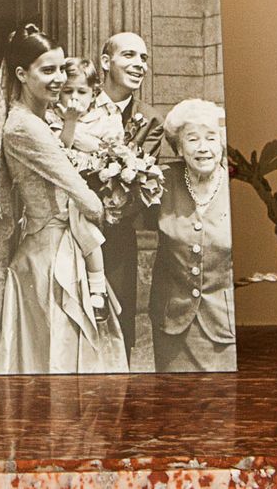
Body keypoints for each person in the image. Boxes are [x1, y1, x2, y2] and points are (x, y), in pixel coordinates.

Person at [0, 24, 129, 375]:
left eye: (61, 69)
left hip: (57, 244)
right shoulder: (24, 126)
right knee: (55, 348)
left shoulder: (38, 119)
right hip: (50, 253)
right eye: (47, 70)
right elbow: (84, 198)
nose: (58, 79)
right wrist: (104, 202)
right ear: (22, 74)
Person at [79, 32, 163, 348]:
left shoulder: (150, 120)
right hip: (68, 233)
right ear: (105, 61)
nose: (140, 64)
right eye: (129, 55)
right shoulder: (79, 101)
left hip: (115, 238)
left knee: (116, 333)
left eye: (144, 58)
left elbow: (140, 186)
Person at [148, 97, 236, 372]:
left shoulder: (236, 187)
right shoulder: (161, 182)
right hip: (172, 324)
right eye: (192, 139)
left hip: (224, 324)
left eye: (210, 137)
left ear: (222, 142)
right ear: (179, 147)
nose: (203, 148)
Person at [49, 58, 113, 320]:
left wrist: (82, 139)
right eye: (68, 91)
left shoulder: (104, 119)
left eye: (81, 91)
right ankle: (95, 289)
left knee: (84, 225)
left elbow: (109, 150)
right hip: (64, 190)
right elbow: (60, 150)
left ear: (94, 93)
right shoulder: (53, 117)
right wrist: (71, 122)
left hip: (96, 187)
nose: (74, 97)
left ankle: (98, 289)